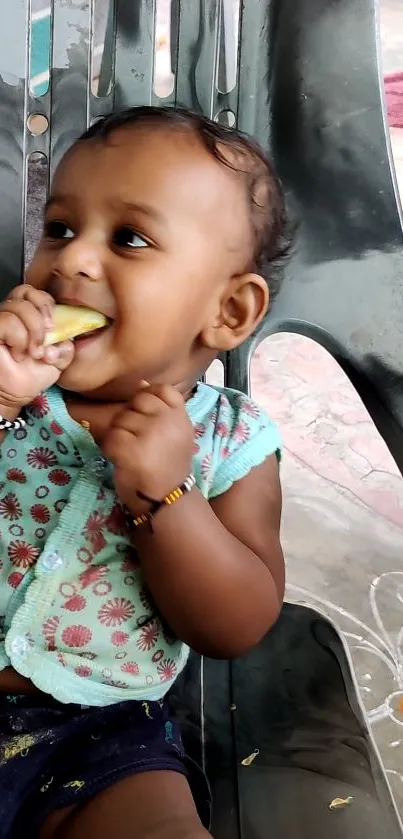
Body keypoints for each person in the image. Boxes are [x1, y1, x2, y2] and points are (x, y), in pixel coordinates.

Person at [0, 107, 286, 838]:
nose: (70, 261)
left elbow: (235, 622)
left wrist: (169, 497)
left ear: (227, 309)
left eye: (128, 238)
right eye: (60, 228)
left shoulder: (231, 439)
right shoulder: (15, 385)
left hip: (98, 732)